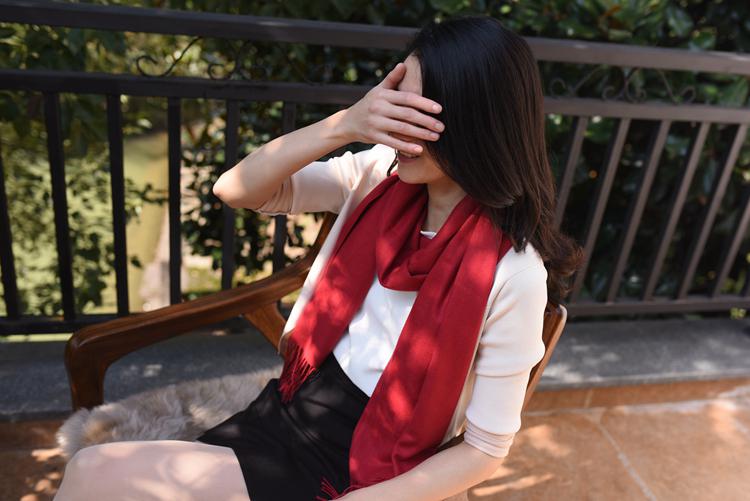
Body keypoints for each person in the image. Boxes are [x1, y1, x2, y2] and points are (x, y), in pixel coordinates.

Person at [54, 14, 583, 501]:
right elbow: (235, 189)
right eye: (394, 105)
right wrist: (346, 124)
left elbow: (484, 451)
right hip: (287, 404)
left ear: (475, 125)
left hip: (355, 460)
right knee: (95, 475)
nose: (396, 126)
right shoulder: (378, 175)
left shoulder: (513, 272)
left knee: (92, 473)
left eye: (416, 112)